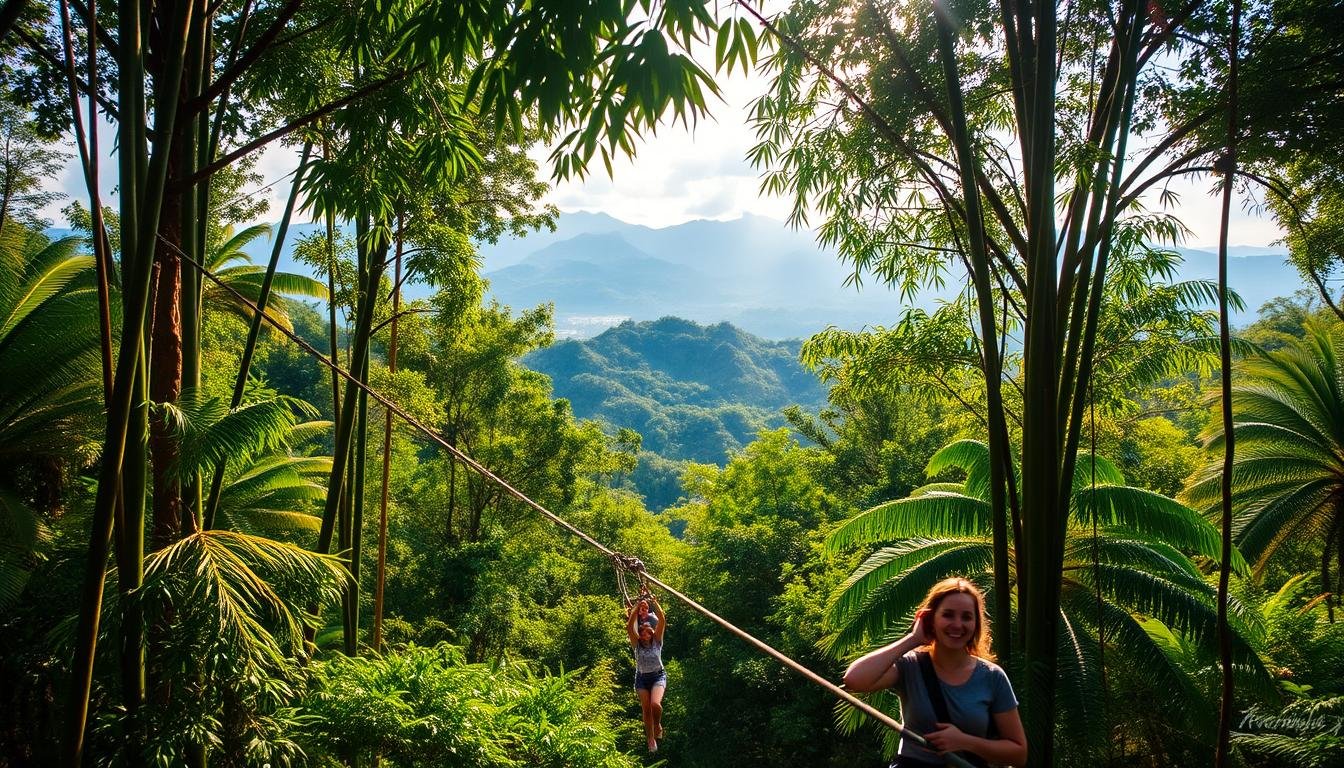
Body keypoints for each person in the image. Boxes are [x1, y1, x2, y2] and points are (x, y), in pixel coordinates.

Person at [842, 577, 1027, 768]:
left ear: (976, 624)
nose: (957, 624)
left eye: (966, 617)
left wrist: (965, 742)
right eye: (948, 615)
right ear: (930, 618)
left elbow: (1018, 753)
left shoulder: (992, 676)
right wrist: (912, 639)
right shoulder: (911, 666)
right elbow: (854, 680)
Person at [626, 592, 667, 752]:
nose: (644, 636)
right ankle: (650, 739)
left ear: (652, 633)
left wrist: (654, 602)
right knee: (646, 709)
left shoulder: (657, 642)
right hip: (642, 679)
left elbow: (662, 620)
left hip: (657, 676)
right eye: (642, 634)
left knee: (655, 705)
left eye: (647, 633)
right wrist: (635, 608)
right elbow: (630, 627)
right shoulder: (637, 645)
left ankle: (657, 725)